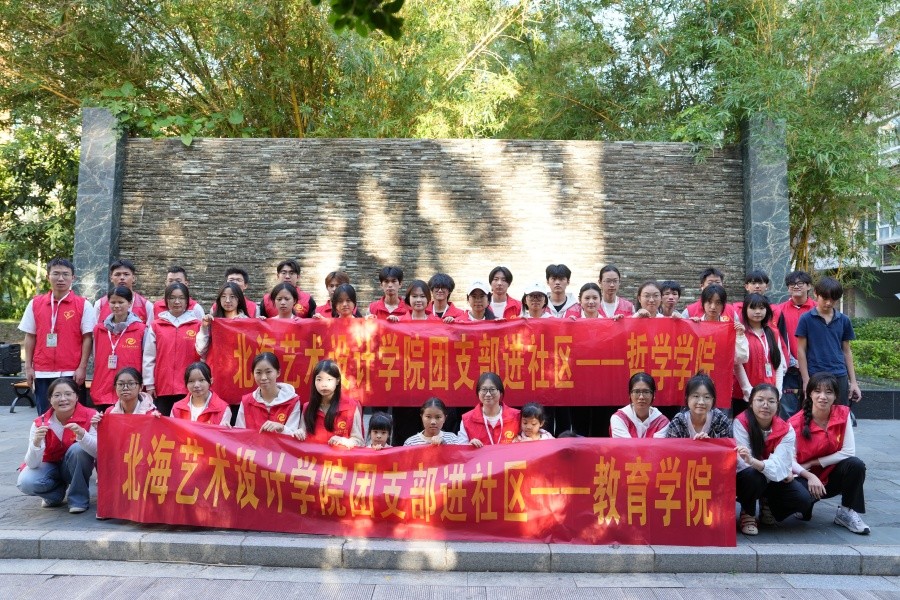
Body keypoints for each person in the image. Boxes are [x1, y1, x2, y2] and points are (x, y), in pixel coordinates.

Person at [790, 372, 870, 534]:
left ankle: (846, 511)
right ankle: (805, 505)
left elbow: (848, 452)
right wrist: (809, 475)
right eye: (817, 391)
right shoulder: (794, 423)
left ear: (835, 396)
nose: (823, 397)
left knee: (855, 465)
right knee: (800, 500)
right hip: (803, 476)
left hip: (831, 475)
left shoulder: (843, 414)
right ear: (809, 393)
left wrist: (813, 462)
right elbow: (789, 461)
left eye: (828, 392)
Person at [734, 384, 814, 535]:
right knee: (752, 476)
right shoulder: (741, 422)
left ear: (778, 404)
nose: (765, 405)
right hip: (749, 477)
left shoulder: (786, 429)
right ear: (751, 403)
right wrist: (777, 470)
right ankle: (748, 512)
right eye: (760, 400)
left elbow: (781, 464)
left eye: (771, 401)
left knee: (803, 499)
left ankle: (768, 503)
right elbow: (743, 463)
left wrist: (759, 463)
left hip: (771, 477)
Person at [18, 258, 95, 415]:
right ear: (48, 277)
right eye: (56, 274)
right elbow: (30, 336)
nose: (61, 278)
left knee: (74, 417)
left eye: (65, 274)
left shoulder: (83, 305)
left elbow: (88, 338)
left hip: (71, 372)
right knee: (45, 416)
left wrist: (82, 368)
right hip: (42, 371)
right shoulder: (35, 304)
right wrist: (28, 367)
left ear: (73, 278)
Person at [16, 378, 97, 514]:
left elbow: (98, 452)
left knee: (78, 449)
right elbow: (32, 464)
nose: (63, 399)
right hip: (50, 467)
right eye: (57, 395)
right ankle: (54, 494)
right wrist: (36, 443)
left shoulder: (92, 416)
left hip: (75, 468)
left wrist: (83, 435)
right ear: (50, 399)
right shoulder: (40, 423)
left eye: (68, 394)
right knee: (25, 482)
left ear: (77, 396)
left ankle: (78, 499)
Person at [796, 277, 861, 407]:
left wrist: (853, 382)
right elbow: (801, 350)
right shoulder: (806, 319)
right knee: (815, 413)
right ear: (816, 293)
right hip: (815, 374)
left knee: (840, 413)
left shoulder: (844, 320)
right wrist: (806, 380)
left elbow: (846, 351)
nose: (828, 303)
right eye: (825, 298)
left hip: (839, 374)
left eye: (833, 300)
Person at [142, 282, 202, 416]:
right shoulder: (156, 325)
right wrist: (149, 384)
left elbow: (203, 355)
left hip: (190, 385)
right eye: (172, 298)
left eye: (181, 298)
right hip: (163, 386)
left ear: (187, 301)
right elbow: (149, 357)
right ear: (166, 300)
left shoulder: (197, 325)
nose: (177, 302)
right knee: (162, 423)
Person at [90, 286, 147, 411]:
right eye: (113, 302)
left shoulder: (141, 329)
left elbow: (146, 359)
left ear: (130, 303)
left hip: (129, 392)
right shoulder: (99, 329)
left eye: (121, 302)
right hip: (102, 389)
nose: (116, 306)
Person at [734, 294, 787, 416]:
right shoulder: (740, 332)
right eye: (753, 308)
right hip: (745, 395)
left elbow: (778, 363)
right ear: (745, 310)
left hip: (770, 392)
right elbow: (737, 364)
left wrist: (778, 390)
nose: (758, 312)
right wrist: (748, 391)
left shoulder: (773, 332)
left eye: (762, 308)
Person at [295, 359, 365, 447]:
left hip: (341, 455)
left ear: (337, 381)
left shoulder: (351, 406)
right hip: (314, 455)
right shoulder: (307, 408)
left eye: (329, 379)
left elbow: (360, 441)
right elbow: (302, 436)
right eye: (319, 379)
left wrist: (344, 441)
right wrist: (299, 433)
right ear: (314, 382)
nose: (324, 384)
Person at [775, 270, 815, 418]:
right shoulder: (779, 310)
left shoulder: (817, 309)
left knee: (813, 407)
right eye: (792, 284)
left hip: (813, 367)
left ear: (809, 286)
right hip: (789, 368)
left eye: (800, 283)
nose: (796, 286)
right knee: (787, 409)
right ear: (788, 288)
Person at [235, 353, 303, 435]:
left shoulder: (292, 401)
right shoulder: (246, 402)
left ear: (278, 372)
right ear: (253, 374)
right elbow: (239, 435)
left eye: (268, 372)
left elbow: (294, 436)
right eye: (258, 372)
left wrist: (282, 428)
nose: (263, 377)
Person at [457, 372, 520, 446]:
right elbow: (461, 450)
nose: (488, 394)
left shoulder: (516, 416)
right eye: (484, 389)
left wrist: (521, 441)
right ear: (478, 392)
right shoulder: (467, 419)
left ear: (501, 392)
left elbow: (529, 441)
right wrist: (469, 446)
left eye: (492, 389)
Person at [665, 372, 732, 439]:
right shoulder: (678, 423)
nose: (701, 402)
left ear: (713, 399)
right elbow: (671, 445)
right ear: (687, 398)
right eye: (696, 396)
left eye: (707, 397)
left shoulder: (721, 421)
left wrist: (709, 443)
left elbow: (728, 444)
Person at [196, 282, 250, 356]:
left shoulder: (247, 322)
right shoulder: (212, 321)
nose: (227, 300)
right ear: (219, 299)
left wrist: (260, 323)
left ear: (239, 299)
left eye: (232, 296)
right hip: (217, 362)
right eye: (223, 296)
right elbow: (201, 350)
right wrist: (204, 328)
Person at [609, 372, 670, 438]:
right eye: (636, 392)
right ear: (630, 394)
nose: (641, 397)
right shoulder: (619, 418)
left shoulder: (662, 422)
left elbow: (658, 445)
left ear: (654, 394)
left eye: (646, 392)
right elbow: (624, 444)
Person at [92, 367, 158, 419]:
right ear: (115, 387)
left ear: (141, 387)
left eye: (131, 384)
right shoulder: (110, 412)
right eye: (121, 384)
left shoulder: (151, 414)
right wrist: (97, 426)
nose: (125, 388)